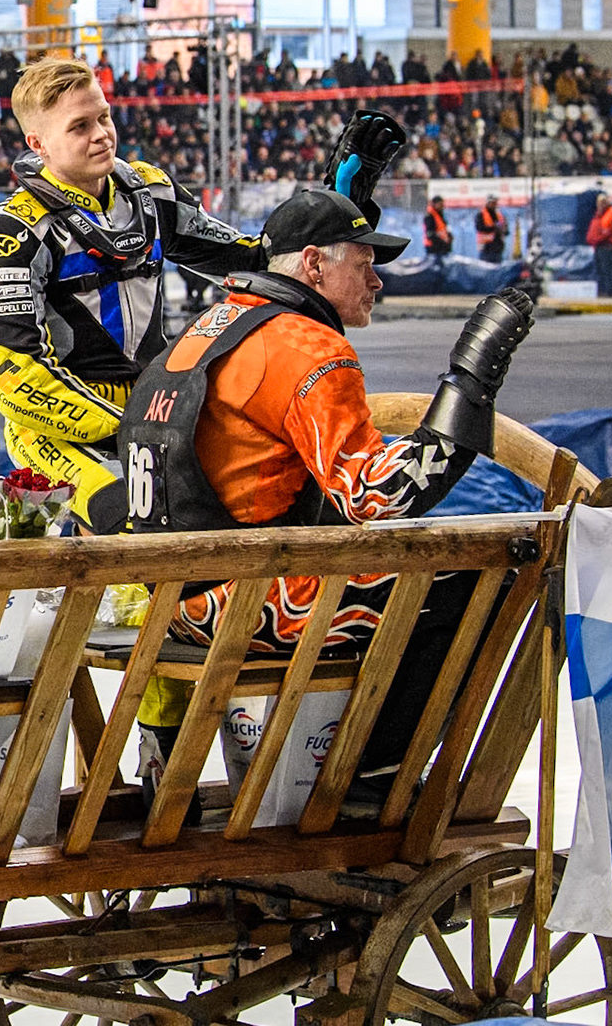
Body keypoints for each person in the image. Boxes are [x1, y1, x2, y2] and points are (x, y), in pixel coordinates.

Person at [120, 188, 534, 793]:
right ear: (313, 265)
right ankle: (371, 777)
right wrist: (471, 382)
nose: (377, 281)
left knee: (377, 559)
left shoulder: (212, 325)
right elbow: (380, 495)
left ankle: (336, 758)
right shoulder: (306, 345)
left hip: (169, 593)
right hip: (241, 599)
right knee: (480, 579)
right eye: (364, 264)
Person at [0, 59, 350, 532]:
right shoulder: (13, 232)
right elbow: (15, 377)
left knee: (271, 495)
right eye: (80, 126)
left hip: (154, 403)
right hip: (56, 430)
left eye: (104, 117)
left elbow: (253, 260)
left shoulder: (150, 193)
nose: (102, 135)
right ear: (38, 144)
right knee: (139, 524)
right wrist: (134, 425)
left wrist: (333, 210)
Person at [588, 191, 612, 294]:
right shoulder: (599, 215)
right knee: (600, 270)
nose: (600, 204)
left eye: (603, 202)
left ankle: (610, 292)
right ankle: (602, 291)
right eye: (599, 202)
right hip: (598, 246)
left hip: (606, 246)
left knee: (607, 270)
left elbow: (608, 231)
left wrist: (596, 238)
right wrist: (592, 239)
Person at [475, 194, 507, 263]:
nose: (494, 204)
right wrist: (494, 228)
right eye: (492, 202)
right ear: (488, 203)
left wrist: (503, 229)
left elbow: (506, 231)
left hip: (498, 248)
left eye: (495, 202)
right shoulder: (481, 214)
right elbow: (480, 228)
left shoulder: (499, 215)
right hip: (486, 249)